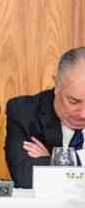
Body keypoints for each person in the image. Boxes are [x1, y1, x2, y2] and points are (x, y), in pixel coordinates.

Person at [5, 47, 85, 188]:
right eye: (74, 101)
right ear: (57, 85)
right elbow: (27, 179)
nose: (83, 114)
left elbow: (41, 176)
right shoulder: (24, 112)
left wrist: (53, 161)